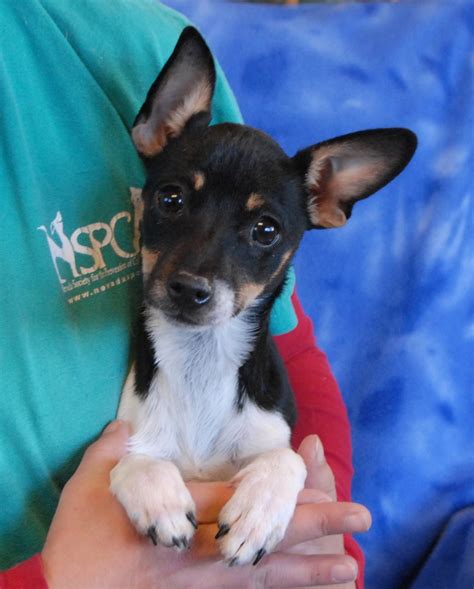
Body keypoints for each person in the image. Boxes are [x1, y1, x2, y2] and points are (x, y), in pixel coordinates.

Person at [0, 1, 370, 587]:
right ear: (156, 131)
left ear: (323, 205)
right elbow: (132, 465)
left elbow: (293, 365)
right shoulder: (139, 417)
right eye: (174, 202)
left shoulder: (137, 36)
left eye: (263, 230)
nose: (198, 272)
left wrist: (316, 542)